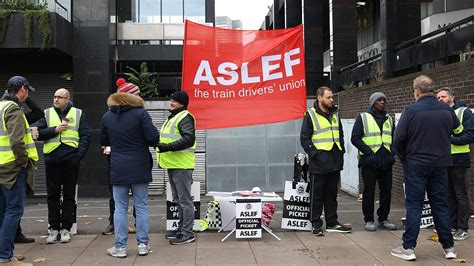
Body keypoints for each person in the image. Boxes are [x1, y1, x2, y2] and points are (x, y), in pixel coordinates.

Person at [391, 75, 460, 261]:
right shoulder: (446, 110)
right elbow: (456, 127)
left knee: (415, 206)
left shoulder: (411, 111)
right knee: (441, 205)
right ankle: (449, 247)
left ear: (416, 92)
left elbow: (398, 140)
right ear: (433, 90)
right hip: (441, 164)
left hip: (416, 164)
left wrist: (405, 158)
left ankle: (408, 248)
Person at [100, 84, 159, 258]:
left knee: (120, 208)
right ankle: (142, 245)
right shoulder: (141, 114)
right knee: (141, 207)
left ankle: (120, 248)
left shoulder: (107, 116)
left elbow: (104, 140)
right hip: (140, 165)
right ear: (135, 97)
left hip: (118, 166)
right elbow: (153, 138)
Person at [37, 89, 90, 244]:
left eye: (59, 97)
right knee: (52, 195)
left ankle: (66, 228)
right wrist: (55, 130)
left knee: (68, 195)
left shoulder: (78, 113)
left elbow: (85, 135)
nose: (56, 99)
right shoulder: (46, 113)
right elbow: (39, 134)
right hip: (52, 158)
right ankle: (53, 229)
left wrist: (78, 155)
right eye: (54, 96)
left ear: (67, 99)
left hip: (70, 159)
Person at [300, 86, 351, 236]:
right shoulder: (310, 114)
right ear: (319, 98)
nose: (331, 100)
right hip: (319, 163)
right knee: (317, 196)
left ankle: (332, 222)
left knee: (331, 195)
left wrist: (340, 151)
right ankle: (316, 223)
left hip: (334, 161)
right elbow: (304, 139)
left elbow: (340, 134)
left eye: (332, 97)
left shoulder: (335, 113)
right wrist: (315, 154)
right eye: (328, 97)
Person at [0, 76, 39, 266]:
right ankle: (6, 258)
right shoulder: (13, 109)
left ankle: (3, 252)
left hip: (1, 167)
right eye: (28, 90)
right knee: (14, 210)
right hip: (12, 168)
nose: (28, 94)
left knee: (2, 211)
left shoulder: (0, 107)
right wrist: (23, 162)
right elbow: (17, 141)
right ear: (22, 89)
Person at [351, 92, 397, 232]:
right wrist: (369, 152)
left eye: (384, 100)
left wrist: (391, 153)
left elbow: (393, 137)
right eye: (379, 100)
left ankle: (383, 218)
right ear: (372, 103)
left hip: (386, 161)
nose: (382, 102)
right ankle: (369, 219)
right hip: (370, 161)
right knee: (369, 192)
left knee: (386, 191)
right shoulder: (363, 117)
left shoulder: (389, 118)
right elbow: (355, 138)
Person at [157, 91, 197, 245]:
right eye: (171, 99)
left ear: (182, 103)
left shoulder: (184, 117)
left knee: (185, 201)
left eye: (174, 101)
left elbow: (188, 139)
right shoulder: (174, 116)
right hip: (173, 164)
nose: (171, 102)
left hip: (181, 165)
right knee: (179, 200)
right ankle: (181, 229)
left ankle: (187, 233)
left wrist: (167, 147)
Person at [101, 78, 140, 236]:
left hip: (118, 161)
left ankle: (119, 226)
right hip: (129, 160)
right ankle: (116, 223)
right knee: (129, 197)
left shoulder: (139, 114)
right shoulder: (110, 116)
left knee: (120, 197)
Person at [436, 87, 474, 241]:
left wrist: (450, 140)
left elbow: (471, 135)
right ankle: (452, 225)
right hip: (443, 159)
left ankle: (463, 227)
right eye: (438, 97)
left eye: (443, 97)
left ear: (452, 97)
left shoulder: (464, 112)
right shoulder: (439, 114)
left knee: (460, 193)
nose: (440, 99)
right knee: (448, 194)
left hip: (458, 158)